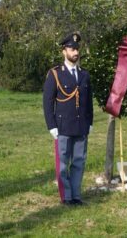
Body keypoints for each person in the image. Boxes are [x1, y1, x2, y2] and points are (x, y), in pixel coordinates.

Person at [43, 32, 93, 205]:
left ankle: (76, 195)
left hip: (81, 125)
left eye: (77, 49)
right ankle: (66, 196)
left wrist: (90, 122)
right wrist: (52, 126)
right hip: (63, 125)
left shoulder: (84, 74)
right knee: (63, 163)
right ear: (64, 51)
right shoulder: (55, 74)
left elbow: (88, 101)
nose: (75, 52)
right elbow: (48, 102)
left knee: (79, 161)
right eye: (72, 48)